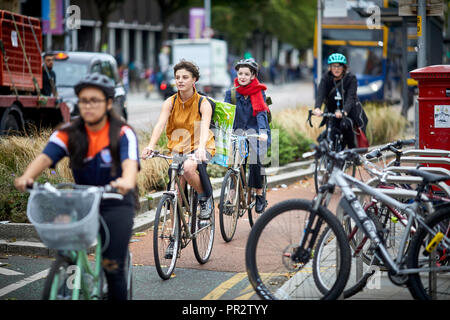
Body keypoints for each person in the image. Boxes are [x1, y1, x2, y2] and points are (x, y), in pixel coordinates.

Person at [14, 73, 140, 300]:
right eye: (83, 100)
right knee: (65, 247)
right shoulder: (69, 131)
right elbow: (46, 157)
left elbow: (130, 164)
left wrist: (126, 182)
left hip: (115, 200)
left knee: (113, 267)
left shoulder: (122, 132)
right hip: (81, 200)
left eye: (95, 100)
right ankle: (68, 270)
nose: (88, 106)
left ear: (108, 103)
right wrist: (27, 177)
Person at [141, 60, 215, 226]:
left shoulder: (203, 103)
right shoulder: (170, 102)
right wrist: (151, 146)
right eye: (177, 77)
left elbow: (204, 128)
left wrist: (201, 149)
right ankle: (175, 234)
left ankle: (205, 198)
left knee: (188, 169)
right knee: (176, 189)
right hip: (179, 149)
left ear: (194, 80)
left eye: (185, 77)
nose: (180, 80)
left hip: (201, 147)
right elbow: (160, 125)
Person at [224, 58, 271, 213]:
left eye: (246, 74)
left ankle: (259, 194)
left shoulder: (259, 92)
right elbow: (225, 115)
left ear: (253, 76)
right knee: (235, 163)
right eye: (240, 73)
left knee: (255, 159)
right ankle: (231, 198)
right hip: (237, 133)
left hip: (256, 132)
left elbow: (261, 114)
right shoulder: (230, 94)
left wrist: (263, 132)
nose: (242, 76)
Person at [313, 53, 368, 149]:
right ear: (330, 67)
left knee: (346, 125)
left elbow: (351, 97)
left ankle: (352, 152)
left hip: (349, 111)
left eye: (339, 66)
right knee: (330, 129)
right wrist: (317, 108)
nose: (336, 69)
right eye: (334, 66)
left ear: (344, 67)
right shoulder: (326, 78)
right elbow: (320, 94)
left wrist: (344, 112)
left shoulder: (351, 78)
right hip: (332, 110)